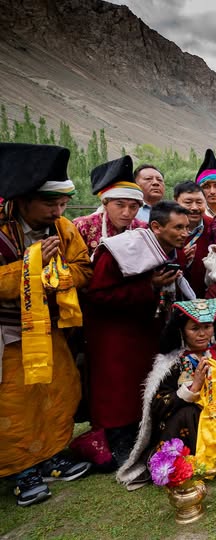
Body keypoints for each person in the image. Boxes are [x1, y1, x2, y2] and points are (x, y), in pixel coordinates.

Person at [0, 143, 92, 506]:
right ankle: (19, 470)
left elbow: (83, 268)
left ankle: (52, 454)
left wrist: (60, 276)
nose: (58, 211)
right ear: (23, 200)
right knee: (13, 403)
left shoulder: (63, 228)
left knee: (58, 390)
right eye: (49, 204)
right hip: (8, 334)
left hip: (52, 328)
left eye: (63, 203)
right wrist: (31, 266)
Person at [84, 201, 193, 467]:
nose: (184, 233)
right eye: (178, 227)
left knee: (143, 381)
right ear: (156, 226)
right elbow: (96, 293)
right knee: (118, 386)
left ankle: (142, 432)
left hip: (148, 327)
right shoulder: (121, 250)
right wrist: (149, 285)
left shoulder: (171, 250)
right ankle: (116, 439)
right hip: (115, 333)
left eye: (187, 227)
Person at [116, 299, 216, 487]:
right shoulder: (173, 363)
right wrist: (193, 388)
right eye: (194, 328)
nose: (202, 334)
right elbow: (159, 403)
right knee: (186, 414)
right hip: (192, 422)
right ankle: (189, 461)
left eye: (207, 327)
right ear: (182, 330)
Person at [73, 155, 146, 257]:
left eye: (133, 207)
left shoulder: (143, 229)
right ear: (105, 203)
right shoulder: (82, 226)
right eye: (120, 205)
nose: (126, 213)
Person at [174, 182, 212, 297]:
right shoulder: (166, 227)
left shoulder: (214, 225)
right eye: (188, 202)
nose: (194, 208)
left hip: (207, 296)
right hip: (175, 295)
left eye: (199, 202)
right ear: (175, 202)